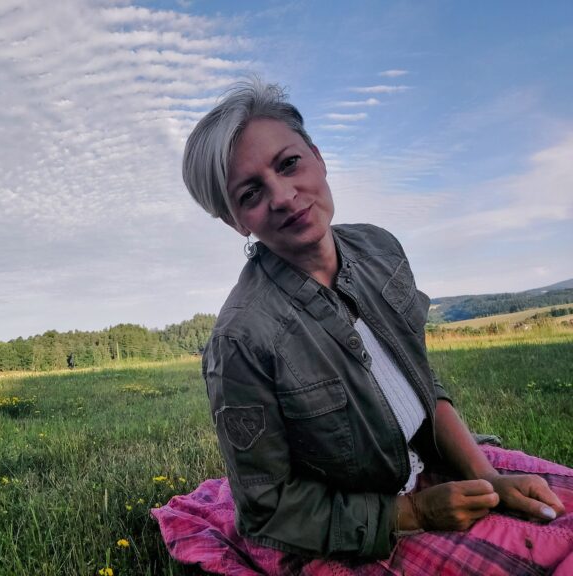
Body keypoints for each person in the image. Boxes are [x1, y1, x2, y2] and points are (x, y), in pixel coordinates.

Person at [177, 78, 566, 559]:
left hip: (434, 466)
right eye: (251, 193)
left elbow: (421, 382)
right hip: (361, 529)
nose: (283, 196)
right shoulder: (241, 339)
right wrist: (414, 513)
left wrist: (486, 476)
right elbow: (266, 511)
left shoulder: (380, 248)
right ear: (237, 221)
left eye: (289, 163)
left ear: (318, 157)